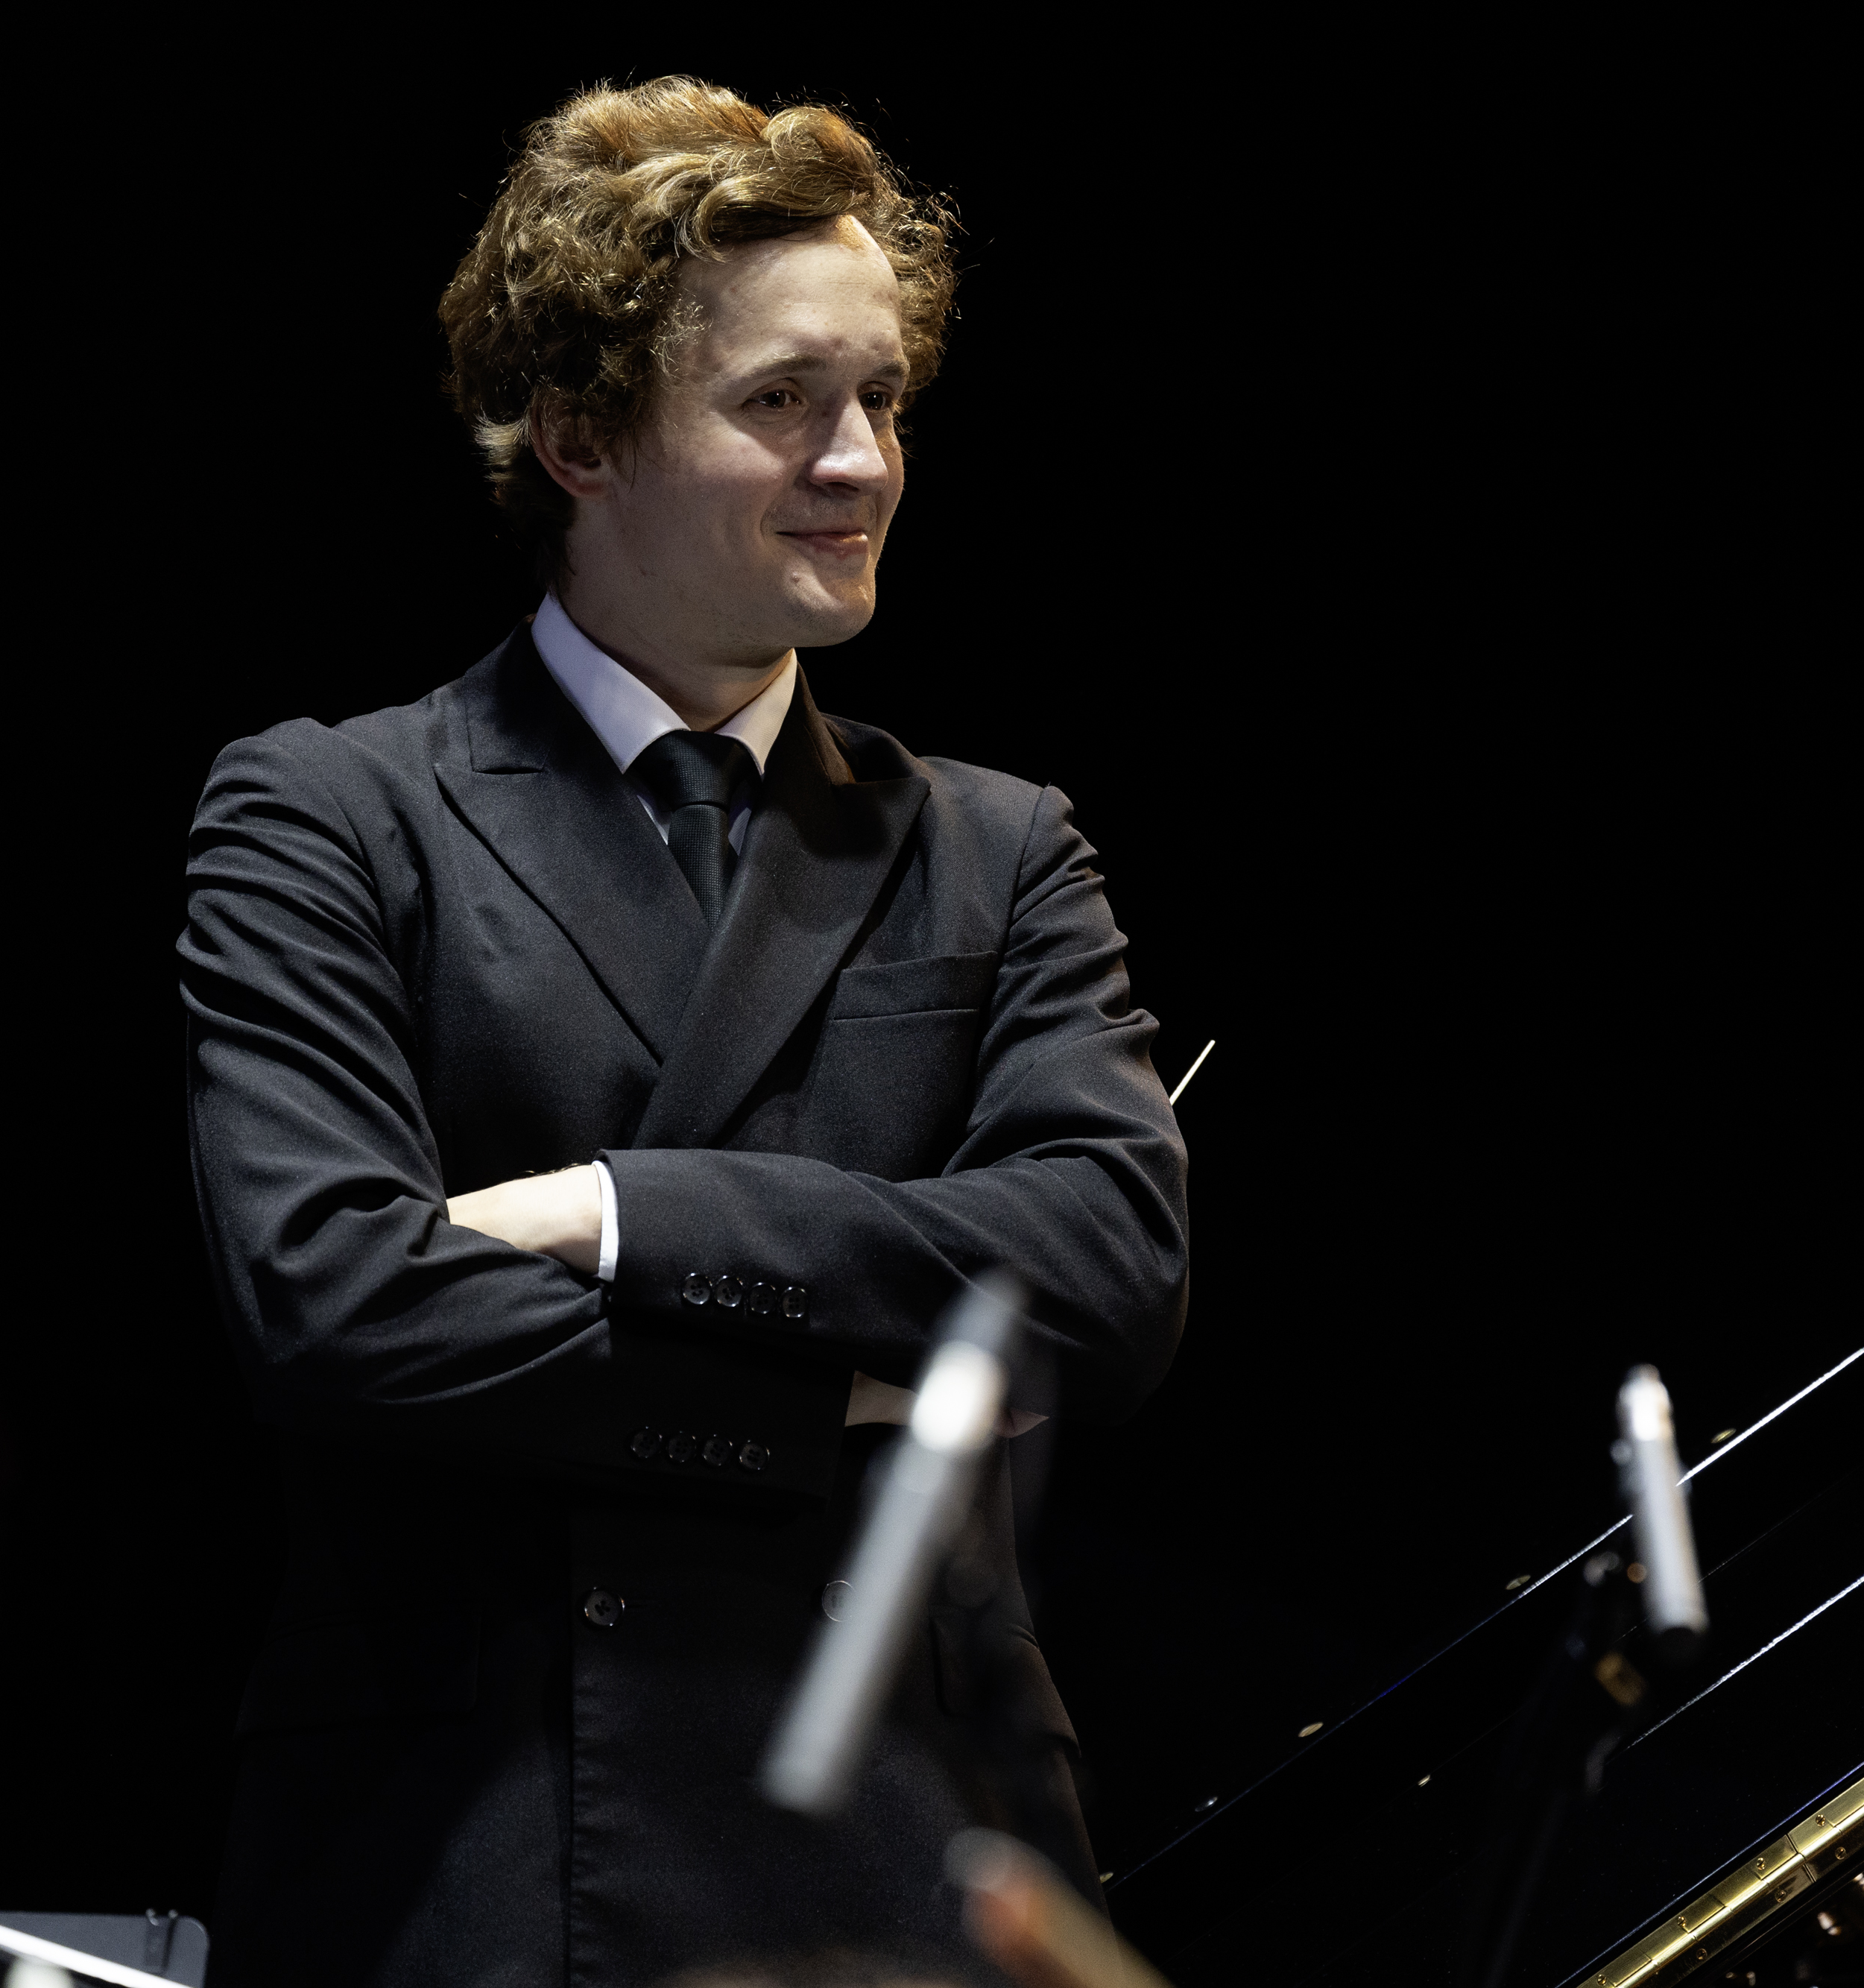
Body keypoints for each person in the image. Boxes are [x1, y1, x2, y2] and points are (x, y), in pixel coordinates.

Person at [178, 76, 1190, 1988]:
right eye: (781, 400)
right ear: (577, 437)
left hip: (909, 1844)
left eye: (882, 397)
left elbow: (1106, 1271)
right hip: (472, 1849)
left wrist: (612, 1209)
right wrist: (834, 1405)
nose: (860, 460)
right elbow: (331, 1297)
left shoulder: (993, 844)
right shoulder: (334, 811)